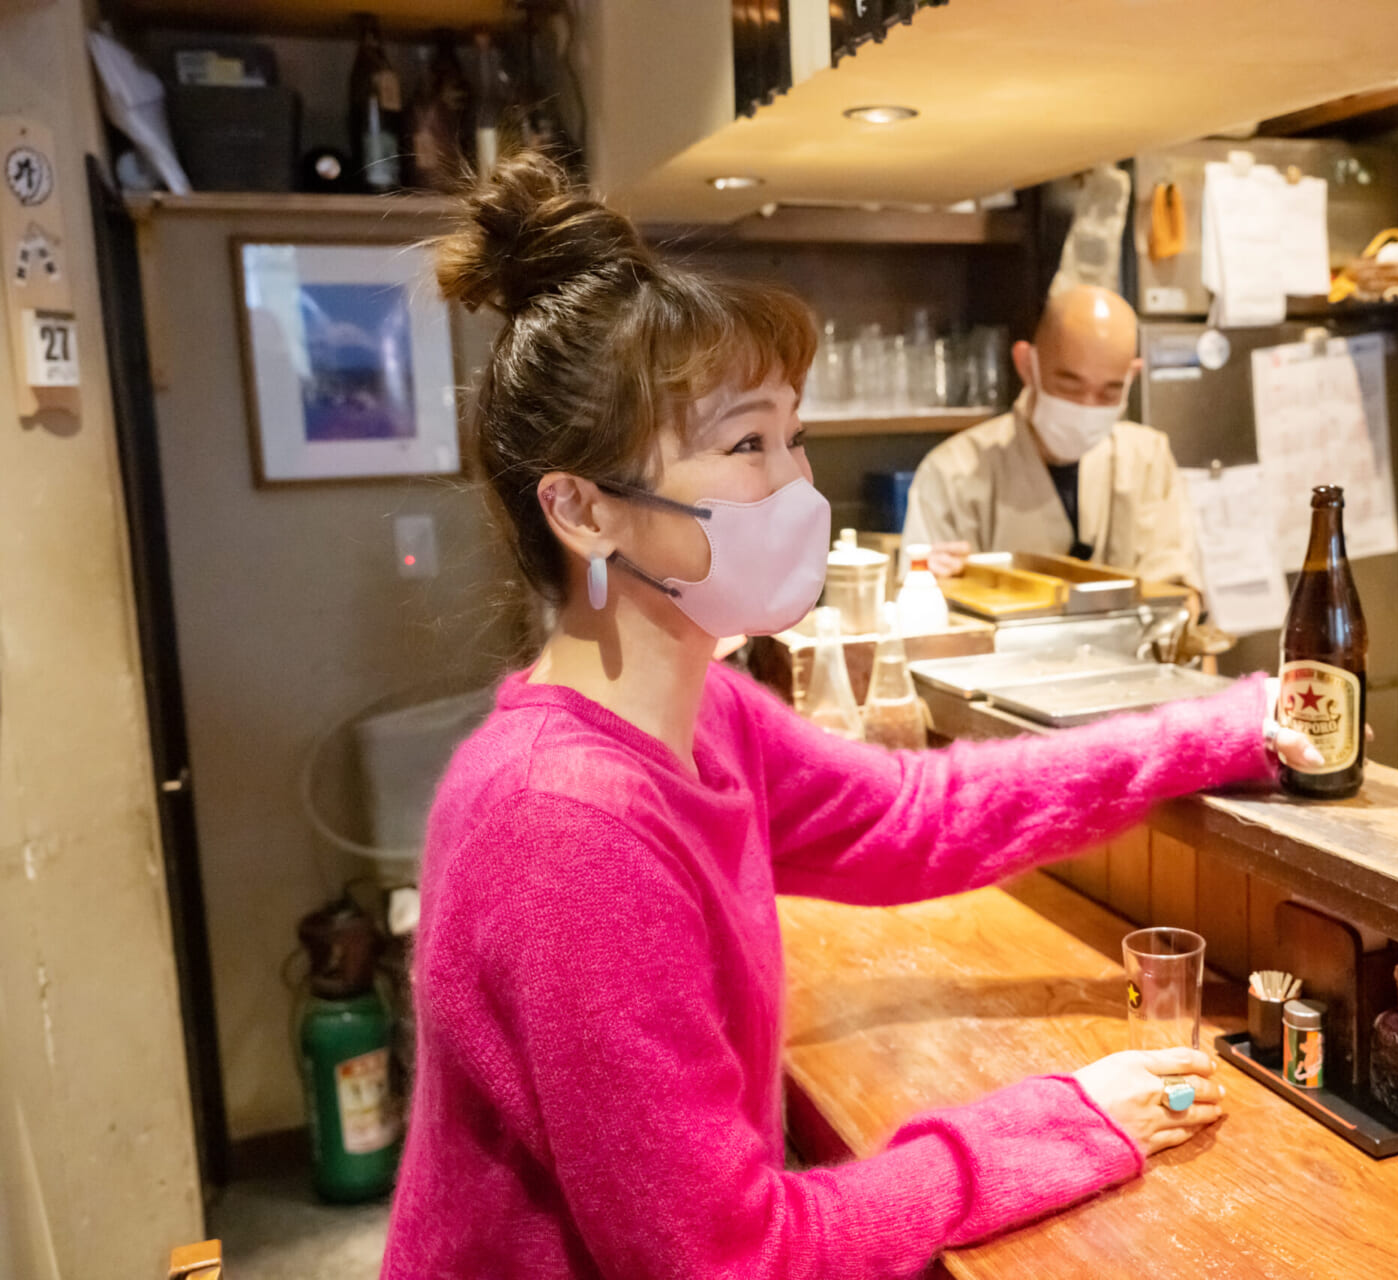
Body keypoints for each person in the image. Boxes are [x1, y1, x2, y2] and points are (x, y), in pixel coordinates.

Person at [381, 152, 1322, 1280]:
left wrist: (1224, 728)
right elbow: (730, 1259)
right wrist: (1059, 1124)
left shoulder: (704, 716)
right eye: (745, 446)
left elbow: (924, 813)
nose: (797, 489)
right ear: (583, 509)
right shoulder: (567, 829)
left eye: (794, 437)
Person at [901, 286, 1199, 583]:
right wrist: (933, 583)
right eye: (1070, 386)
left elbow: (1178, 589)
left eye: (1110, 391)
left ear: (1131, 377)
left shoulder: (1147, 459)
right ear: (1027, 365)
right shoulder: (952, 472)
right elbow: (920, 604)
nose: (1087, 405)